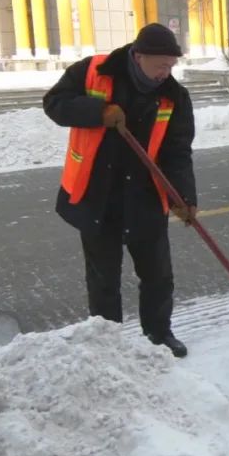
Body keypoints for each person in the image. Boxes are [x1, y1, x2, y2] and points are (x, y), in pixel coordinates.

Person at [43, 23, 197, 357]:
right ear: (138, 56)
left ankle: (158, 334)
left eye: (171, 66)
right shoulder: (93, 71)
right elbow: (54, 103)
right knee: (104, 280)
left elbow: (178, 152)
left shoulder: (174, 96)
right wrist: (97, 112)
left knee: (158, 275)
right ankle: (107, 343)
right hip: (98, 196)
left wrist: (183, 199)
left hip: (144, 197)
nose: (165, 73)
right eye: (160, 65)